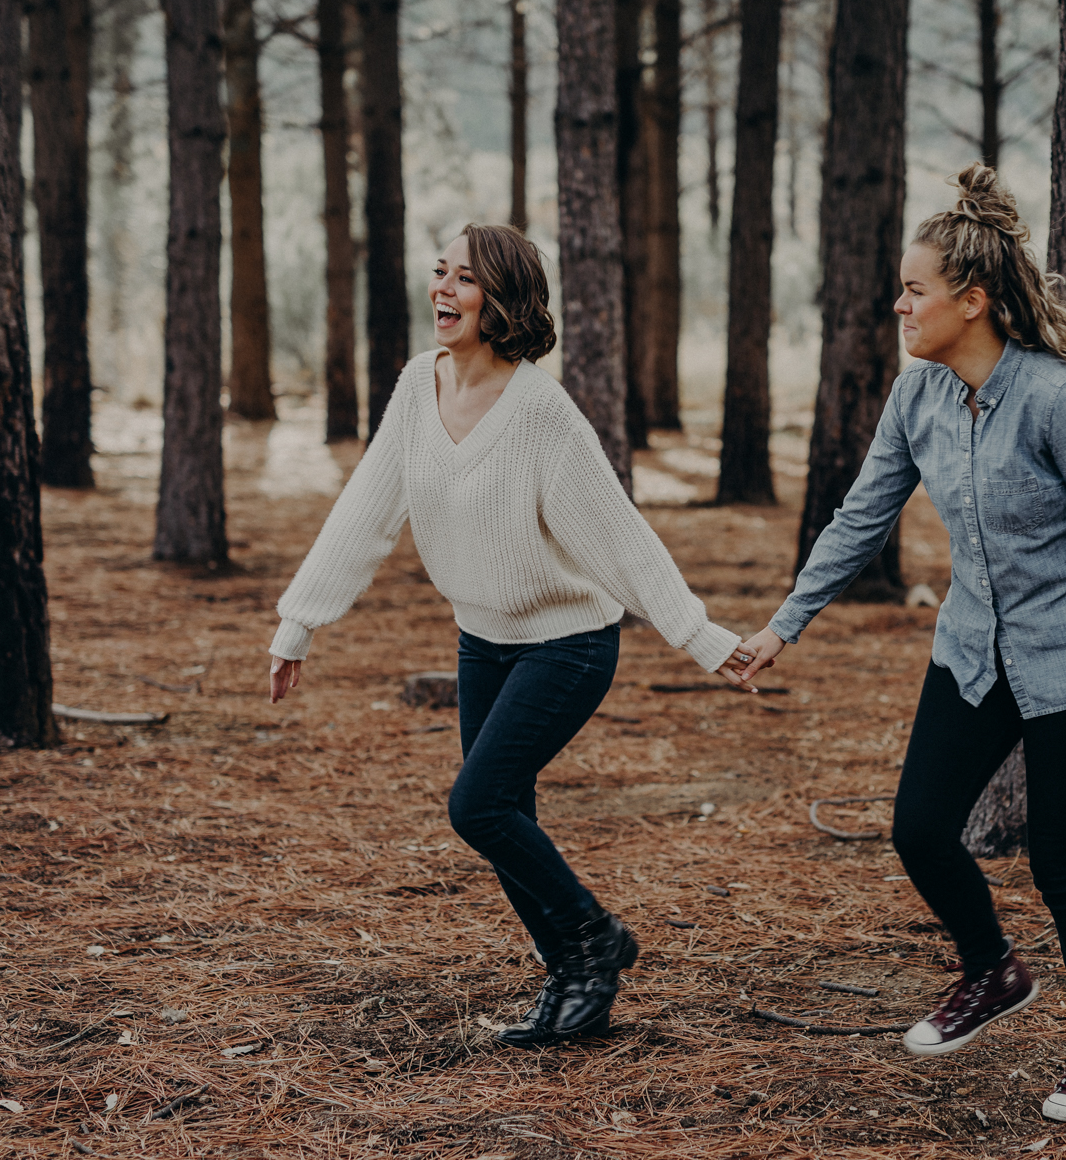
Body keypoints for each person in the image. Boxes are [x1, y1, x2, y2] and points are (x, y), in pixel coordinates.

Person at [267, 223, 754, 1046]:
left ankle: (594, 941)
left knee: (478, 804)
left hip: (568, 642)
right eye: (439, 272)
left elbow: (618, 537)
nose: (443, 291)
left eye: (464, 279)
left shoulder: (541, 413)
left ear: (503, 301)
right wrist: (299, 620)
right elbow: (366, 507)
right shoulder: (418, 387)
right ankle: (575, 975)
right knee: (503, 814)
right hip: (481, 639)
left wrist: (700, 635)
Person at [734, 165, 1066, 1123]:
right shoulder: (917, 395)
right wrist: (782, 624)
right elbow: (859, 518)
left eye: (916, 289)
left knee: (1060, 862)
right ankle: (994, 969)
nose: (900, 303)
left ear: (974, 300)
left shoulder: (1057, 401)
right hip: (972, 652)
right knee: (919, 827)